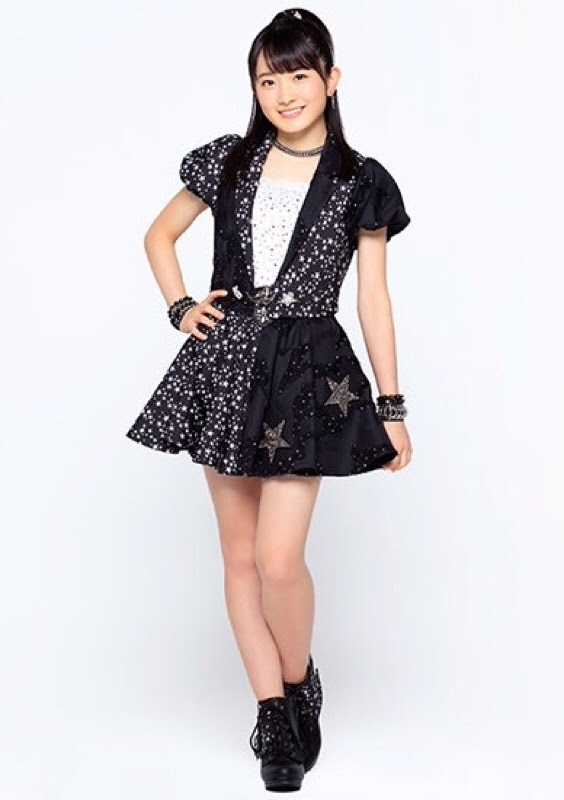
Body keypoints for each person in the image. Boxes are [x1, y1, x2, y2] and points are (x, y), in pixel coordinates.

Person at [126, 7, 413, 793]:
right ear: (253, 87)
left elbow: (374, 299)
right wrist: (181, 307)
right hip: (226, 365)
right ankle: (273, 714)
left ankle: (297, 679)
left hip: (305, 372)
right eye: (267, 80)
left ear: (331, 79)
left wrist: (392, 408)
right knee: (241, 557)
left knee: (280, 560)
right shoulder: (228, 161)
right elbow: (158, 236)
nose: (284, 94)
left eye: (299, 75)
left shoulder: (361, 180)